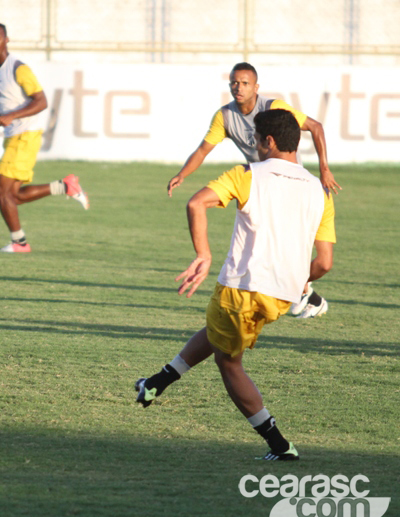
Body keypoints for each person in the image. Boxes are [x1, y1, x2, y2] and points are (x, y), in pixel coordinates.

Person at [135, 109, 335, 461]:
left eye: (255, 140)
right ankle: (156, 383)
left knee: (229, 362)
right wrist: (293, 278)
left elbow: (197, 202)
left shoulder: (248, 174)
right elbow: (324, 263)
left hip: (241, 288)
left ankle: (279, 445)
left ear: (269, 141)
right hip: (282, 296)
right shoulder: (321, 191)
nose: (254, 147)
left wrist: (203, 254)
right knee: (220, 332)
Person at [166, 62, 341, 318]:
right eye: (234, 82)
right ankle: (304, 294)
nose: (239, 87)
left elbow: (316, 126)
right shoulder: (225, 116)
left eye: (245, 83)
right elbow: (203, 150)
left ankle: (303, 293)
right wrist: (182, 174)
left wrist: (324, 168)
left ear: (256, 87)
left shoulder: (274, 109)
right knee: (272, 250)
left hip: (290, 187)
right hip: (258, 187)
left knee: (288, 252)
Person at [0, 22, 89, 253]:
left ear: (6, 40)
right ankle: (65, 186)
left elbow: (41, 101)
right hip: (13, 136)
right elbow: (4, 106)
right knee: (13, 196)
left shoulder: (18, 69)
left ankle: (20, 243)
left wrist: (12, 116)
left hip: (26, 136)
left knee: (0, 190)